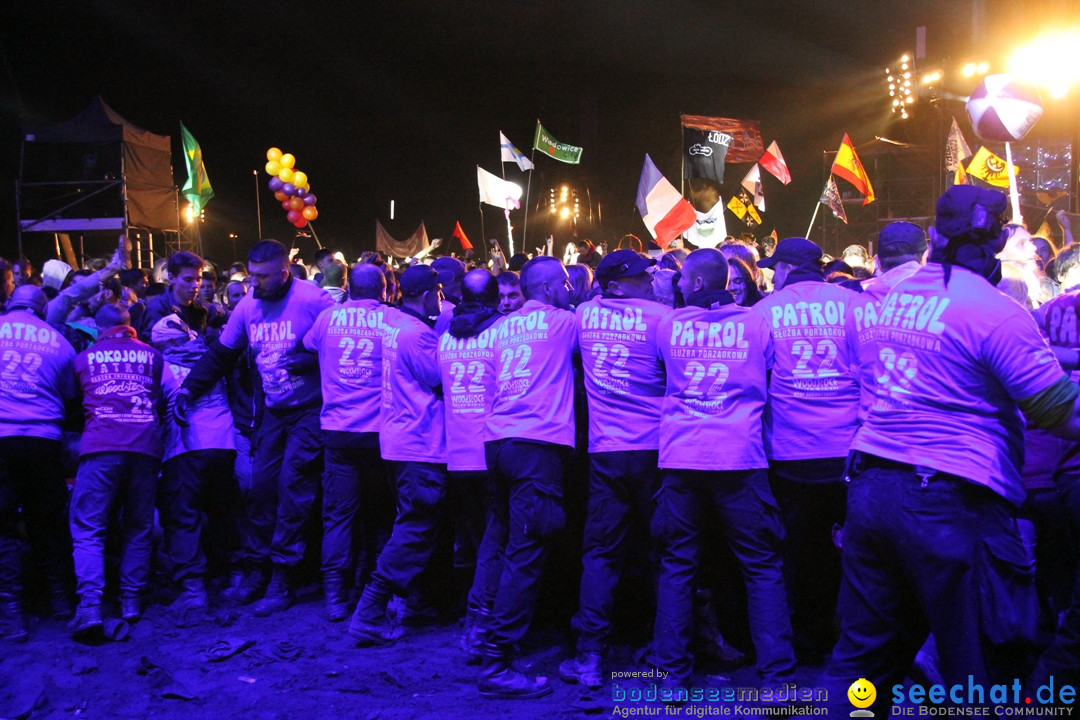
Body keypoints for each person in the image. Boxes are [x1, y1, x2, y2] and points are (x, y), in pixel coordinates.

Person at [824, 185, 1080, 715]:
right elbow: (1061, 414)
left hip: (871, 491)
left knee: (863, 664)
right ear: (992, 244)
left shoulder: (889, 298)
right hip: (949, 505)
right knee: (979, 665)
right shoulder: (992, 310)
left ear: (934, 235)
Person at [652, 248, 796, 693]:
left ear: (696, 283)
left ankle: (670, 676)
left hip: (681, 458)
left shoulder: (668, 325)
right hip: (740, 457)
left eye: (682, 280)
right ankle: (777, 680)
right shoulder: (756, 323)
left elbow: (662, 375)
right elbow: (771, 374)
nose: (676, 285)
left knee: (678, 565)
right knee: (761, 567)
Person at [178, 239, 335, 616]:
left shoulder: (314, 301)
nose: (255, 284)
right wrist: (189, 389)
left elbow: (341, 344)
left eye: (263, 277)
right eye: (252, 276)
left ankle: (284, 576)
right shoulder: (248, 306)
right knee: (261, 490)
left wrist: (310, 358)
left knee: (292, 489)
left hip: (309, 412)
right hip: (273, 412)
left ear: (284, 273)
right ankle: (256, 569)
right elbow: (222, 354)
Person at [559, 250, 668, 689]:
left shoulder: (584, 315)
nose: (651, 281)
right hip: (656, 449)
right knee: (666, 552)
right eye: (643, 277)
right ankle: (668, 652)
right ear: (618, 284)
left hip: (607, 449)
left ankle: (590, 655)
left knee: (601, 552)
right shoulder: (663, 318)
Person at [754, 236, 860, 662]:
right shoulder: (855, 305)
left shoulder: (764, 311)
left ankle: (798, 641)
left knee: (792, 553)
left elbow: (755, 379)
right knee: (844, 552)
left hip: (789, 450)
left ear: (784, 269)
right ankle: (841, 639)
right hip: (846, 449)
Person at [479, 256, 577, 699]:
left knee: (501, 542)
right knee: (526, 551)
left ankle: (481, 633)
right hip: (536, 445)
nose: (571, 290)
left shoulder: (498, 329)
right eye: (566, 284)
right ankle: (497, 661)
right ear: (551, 288)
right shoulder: (561, 323)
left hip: (497, 442)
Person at [348, 264, 451, 644]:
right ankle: (370, 610)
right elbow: (441, 380)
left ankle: (417, 603)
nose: (441, 300)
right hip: (420, 444)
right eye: (439, 293)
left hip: (397, 439)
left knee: (414, 524)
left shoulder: (392, 322)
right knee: (415, 529)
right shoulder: (417, 334)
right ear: (427, 295)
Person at [69, 304, 164, 635]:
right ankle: (131, 601)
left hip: (101, 448)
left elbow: (73, 398)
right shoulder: (153, 356)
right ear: (129, 325)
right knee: (138, 527)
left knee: (89, 528)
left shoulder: (84, 358)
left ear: (98, 327)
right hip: (145, 448)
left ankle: (90, 607)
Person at [302, 264, 389, 621]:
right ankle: (374, 590)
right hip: (380, 435)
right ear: (384, 290)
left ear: (348, 288)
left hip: (337, 431)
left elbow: (305, 347)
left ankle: (335, 596)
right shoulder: (390, 320)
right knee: (382, 515)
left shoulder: (327, 320)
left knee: (339, 516)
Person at [0, 285, 78, 640]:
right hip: (44, 441)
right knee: (47, 521)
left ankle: (12, 614)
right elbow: (69, 394)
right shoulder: (59, 341)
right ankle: (60, 601)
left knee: (2, 529)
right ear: (42, 308)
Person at [153, 314, 241, 614]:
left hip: (185, 447)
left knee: (183, 516)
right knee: (224, 512)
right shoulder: (212, 359)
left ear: (171, 341)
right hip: (224, 443)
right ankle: (233, 577)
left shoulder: (162, 367)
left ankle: (193, 590)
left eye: (160, 343)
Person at [437, 269, 503, 660]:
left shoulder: (445, 337)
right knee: (496, 544)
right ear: (495, 298)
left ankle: (471, 612)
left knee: (475, 539)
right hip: (491, 450)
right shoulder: (501, 334)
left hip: (456, 453)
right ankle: (484, 622)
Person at [847, 221, 929, 422]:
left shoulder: (856, 305)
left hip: (873, 429)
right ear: (925, 256)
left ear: (877, 261)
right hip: (928, 431)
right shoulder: (941, 298)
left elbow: (854, 369)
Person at [139, 251, 227, 342]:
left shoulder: (201, 308)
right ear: (171, 278)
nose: (196, 285)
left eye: (198, 279)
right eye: (188, 279)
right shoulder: (156, 310)